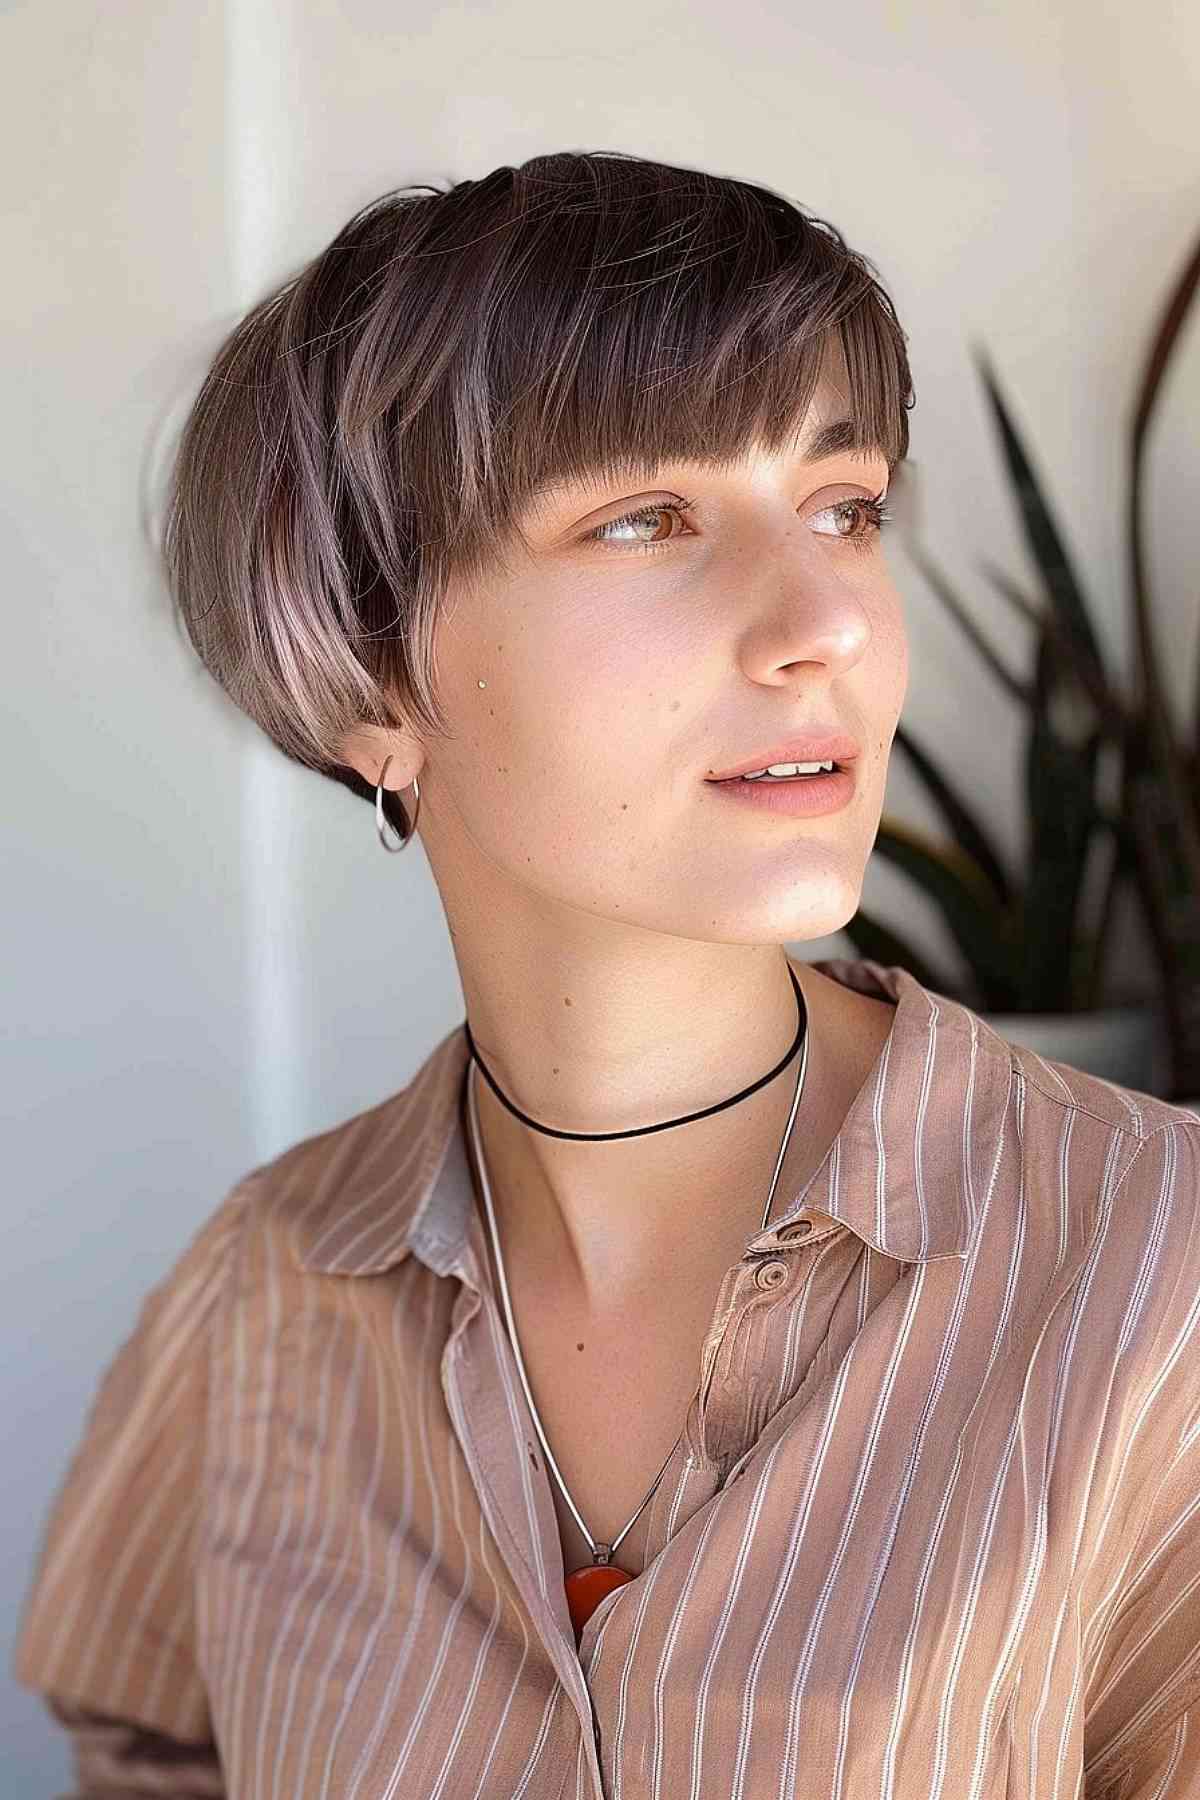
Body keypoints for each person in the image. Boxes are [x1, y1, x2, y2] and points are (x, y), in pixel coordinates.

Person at [13, 149, 1200, 1799]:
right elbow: (145, 1750)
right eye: (648, 517)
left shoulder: (1160, 1279)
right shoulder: (258, 1306)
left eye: (843, 505)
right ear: (367, 672)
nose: (824, 623)